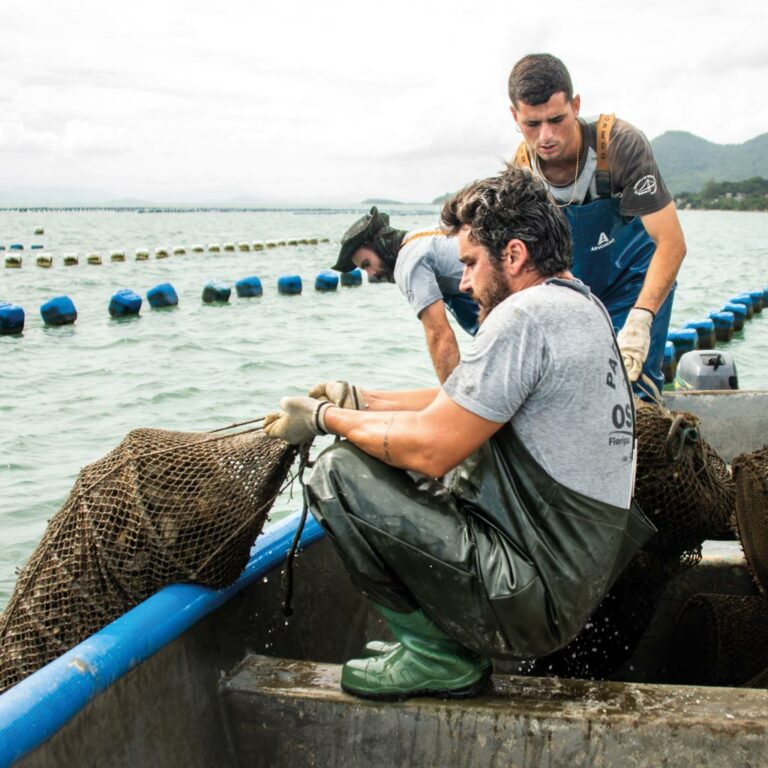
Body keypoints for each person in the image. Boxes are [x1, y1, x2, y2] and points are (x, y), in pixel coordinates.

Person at [264, 168, 655, 702]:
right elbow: (467, 404)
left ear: (513, 256)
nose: (464, 281)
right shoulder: (577, 305)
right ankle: (436, 649)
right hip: (564, 580)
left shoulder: (524, 317)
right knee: (377, 452)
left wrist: (325, 421)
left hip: (531, 592)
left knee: (339, 472)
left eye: (470, 263)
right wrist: (359, 399)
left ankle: (438, 657)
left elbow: (431, 447)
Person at [508, 53, 687, 392]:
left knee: (633, 390)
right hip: (572, 290)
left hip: (633, 283)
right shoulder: (521, 174)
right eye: (532, 124)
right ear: (515, 117)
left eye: (556, 119)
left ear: (575, 105)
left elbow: (672, 243)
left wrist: (641, 318)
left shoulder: (619, 146)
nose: (546, 135)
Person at [331, 206, 478, 383]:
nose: (370, 274)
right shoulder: (420, 237)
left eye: (367, 264)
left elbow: (439, 336)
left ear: (378, 244)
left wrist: (451, 402)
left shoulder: (408, 263)